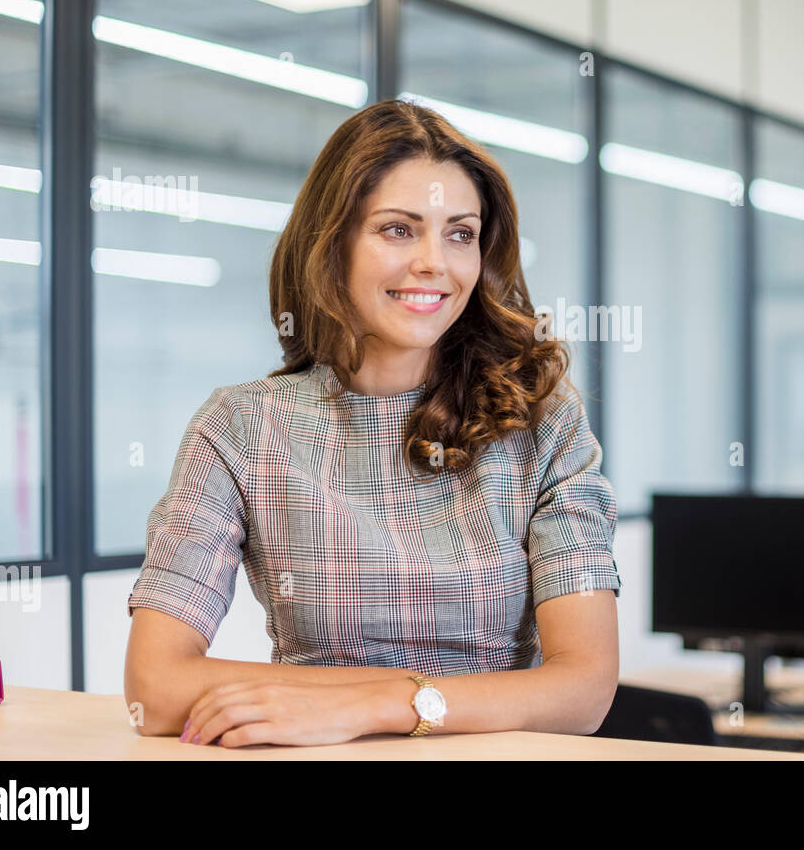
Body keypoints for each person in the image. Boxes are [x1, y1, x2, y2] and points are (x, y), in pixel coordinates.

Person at [123, 98, 622, 746]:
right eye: (397, 229)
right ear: (332, 242)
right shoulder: (243, 427)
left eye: (460, 233)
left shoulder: (542, 424)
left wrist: (379, 704)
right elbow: (155, 689)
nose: (434, 262)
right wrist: (442, 695)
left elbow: (582, 690)